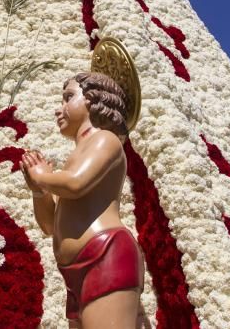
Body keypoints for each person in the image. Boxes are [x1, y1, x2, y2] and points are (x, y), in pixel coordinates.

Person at [20, 72, 145, 328]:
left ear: (94, 100)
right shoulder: (76, 155)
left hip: (105, 255)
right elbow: (49, 226)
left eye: (68, 97)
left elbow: (76, 184)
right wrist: (39, 190)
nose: (59, 108)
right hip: (74, 270)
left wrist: (44, 176)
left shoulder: (105, 139)